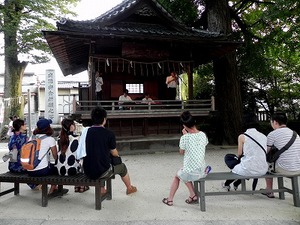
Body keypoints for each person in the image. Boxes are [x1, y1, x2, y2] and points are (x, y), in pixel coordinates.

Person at [76, 106, 137, 195]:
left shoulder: (86, 132)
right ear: (104, 119)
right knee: (122, 167)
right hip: (102, 171)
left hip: (87, 170)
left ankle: (102, 189)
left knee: (98, 159)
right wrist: (118, 158)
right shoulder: (109, 134)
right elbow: (114, 152)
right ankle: (129, 188)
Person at [162, 111, 211, 206]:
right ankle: (193, 195)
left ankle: (170, 200)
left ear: (184, 125)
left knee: (178, 176)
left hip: (192, 171)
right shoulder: (202, 135)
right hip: (202, 170)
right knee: (183, 172)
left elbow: (181, 152)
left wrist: (185, 136)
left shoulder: (185, 137)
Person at [222, 113, 268, 191]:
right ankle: (236, 184)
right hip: (263, 169)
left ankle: (226, 184)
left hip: (248, 168)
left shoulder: (242, 137)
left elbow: (239, 154)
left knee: (232, 159)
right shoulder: (263, 136)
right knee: (249, 164)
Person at [262, 112, 300, 198]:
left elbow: (266, 151)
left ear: (275, 122)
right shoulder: (295, 134)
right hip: (298, 168)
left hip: (285, 169)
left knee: (266, 165)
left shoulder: (273, 134)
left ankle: (269, 191)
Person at [27, 118, 68, 196]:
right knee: (56, 168)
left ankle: (53, 187)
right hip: (42, 171)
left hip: (29, 170)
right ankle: (54, 188)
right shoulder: (50, 139)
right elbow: (55, 156)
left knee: (51, 167)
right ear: (48, 128)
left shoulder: (31, 138)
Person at [55, 118, 88, 193]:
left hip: (60, 170)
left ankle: (77, 186)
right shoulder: (77, 138)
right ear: (71, 126)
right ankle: (81, 186)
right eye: (73, 124)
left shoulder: (60, 138)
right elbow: (81, 154)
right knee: (83, 161)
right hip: (71, 171)